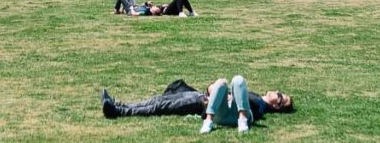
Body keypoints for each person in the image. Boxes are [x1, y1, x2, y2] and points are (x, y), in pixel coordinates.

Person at [101, 77, 293, 125]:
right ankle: (119, 105)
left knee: (159, 106)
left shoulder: (258, 107)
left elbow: (233, 106)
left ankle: (118, 111)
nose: (277, 92)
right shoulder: (257, 100)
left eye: (280, 96)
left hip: (200, 103)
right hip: (201, 98)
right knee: (159, 101)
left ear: (276, 105)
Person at [113, 0, 197, 17]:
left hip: (131, 10)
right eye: (155, 7)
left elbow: (133, 14)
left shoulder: (146, 12)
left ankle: (117, 10)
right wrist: (146, 3)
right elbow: (140, 7)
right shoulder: (149, 9)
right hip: (134, 7)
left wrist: (131, 8)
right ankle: (121, 9)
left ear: (152, 12)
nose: (155, 6)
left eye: (154, 7)